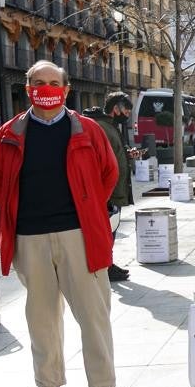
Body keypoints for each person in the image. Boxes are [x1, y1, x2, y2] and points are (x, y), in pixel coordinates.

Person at [0, 60, 119, 387]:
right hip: (30, 238)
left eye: (53, 82)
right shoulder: (9, 134)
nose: (46, 88)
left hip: (80, 236)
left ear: (66, 89)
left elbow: (109, 174)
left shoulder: (88, 130)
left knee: (93, 314)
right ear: (28, 89)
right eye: (38, 82)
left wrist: (86, 209)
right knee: (41, 317)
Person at [82, 92, 139, 283]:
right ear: (116, 108)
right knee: (107, 230)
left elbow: (111, 154)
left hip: (114, 189)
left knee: (111, 229)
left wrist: (127, 155)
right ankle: (105, 266)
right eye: (126, 110)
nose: (128, 114)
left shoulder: (111, 126)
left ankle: (108, 263)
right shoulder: (103, 127)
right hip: (108, 191)